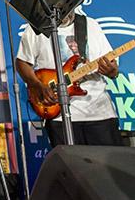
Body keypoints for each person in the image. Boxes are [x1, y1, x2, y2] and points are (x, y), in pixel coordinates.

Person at [16, 9, 121, 147]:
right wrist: (36, 85)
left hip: (100, 112)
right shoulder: (36, 29)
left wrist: (112, 71)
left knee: (107, 167)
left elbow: (112, 67)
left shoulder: (91, 25)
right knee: (70, 167)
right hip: (59, 114)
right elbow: (22, 62)